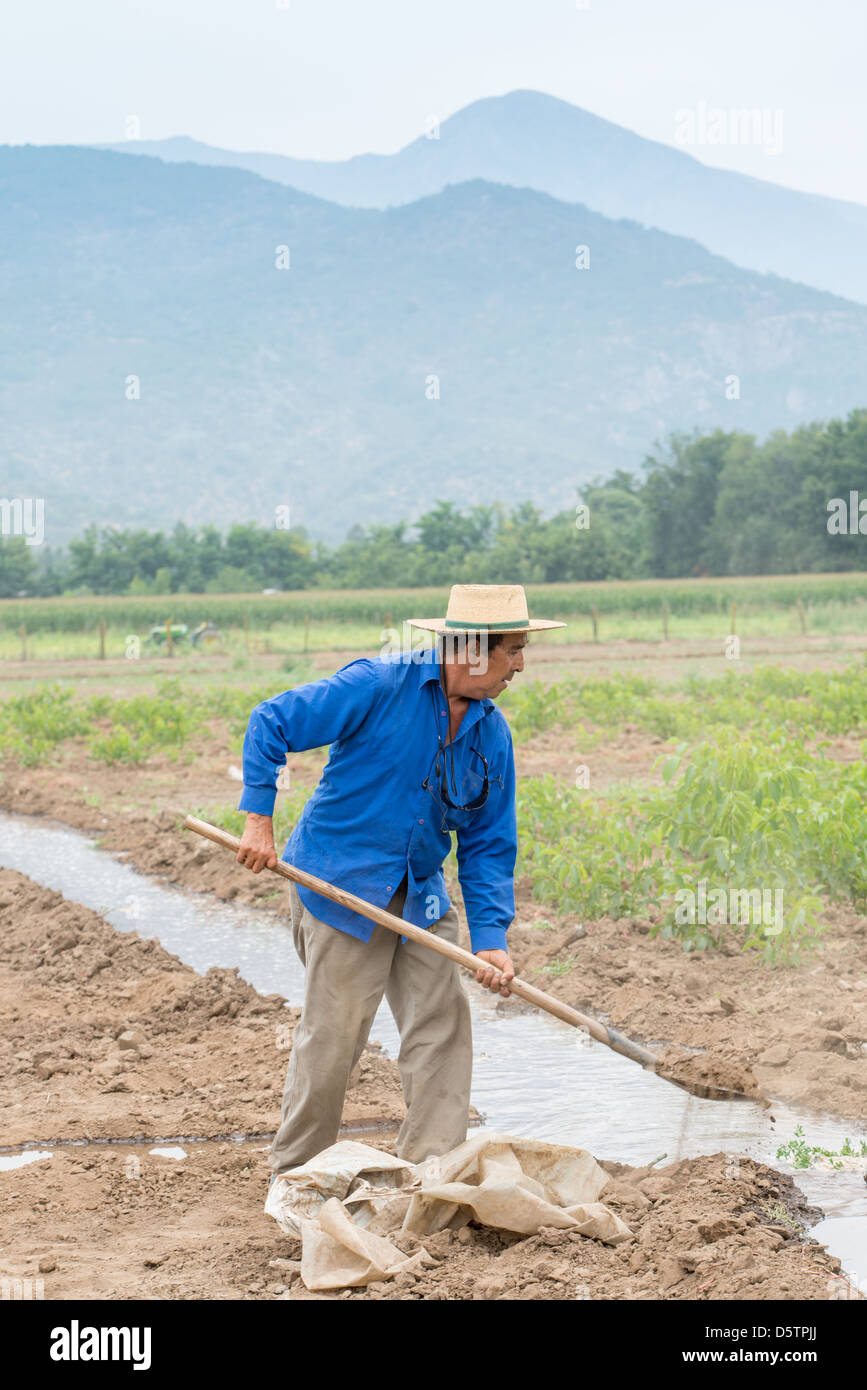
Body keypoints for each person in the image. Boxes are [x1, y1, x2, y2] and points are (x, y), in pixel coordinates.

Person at [235, 583, 565, 1176]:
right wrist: (259, 821)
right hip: (340, 884)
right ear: (470, 650)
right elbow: (271, 721)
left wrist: (491, 940)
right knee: (334, 1037)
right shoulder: (377, 685)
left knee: (442, 1026)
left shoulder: (492, 734)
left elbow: (489, 845)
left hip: (420, 891)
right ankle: (299, 1174)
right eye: (512, 649)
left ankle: (433, 1172)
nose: (520, 663)